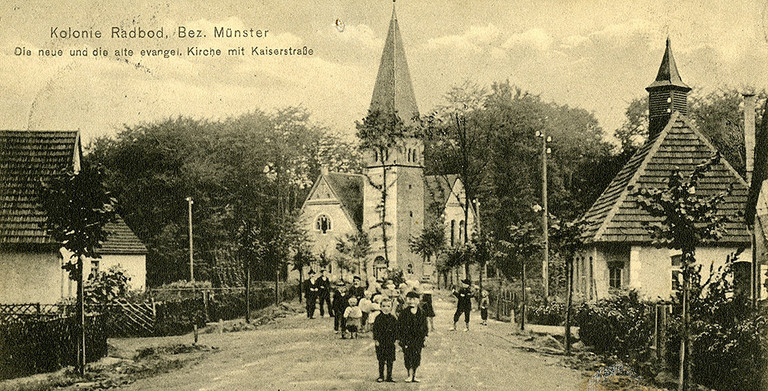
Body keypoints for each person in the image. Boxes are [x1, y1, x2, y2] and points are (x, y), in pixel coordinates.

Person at [397, 291, 428, 383]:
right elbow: (400, 326)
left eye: (414, 299)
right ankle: (410, 375)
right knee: (408, 356)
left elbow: (425, 326)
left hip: (418, 338)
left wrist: (425, 337)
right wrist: (400, 338)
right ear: (406, 300)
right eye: (409, 299)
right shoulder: (404, 313)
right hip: (407, 339)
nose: (412, 301)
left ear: (418, 300)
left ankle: (415, 374)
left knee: (417, 355)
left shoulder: (421, 312)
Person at [372, 298, 398, 383]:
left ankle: (389, 376)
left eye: (388, 306)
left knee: (390, 360)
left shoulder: (393, 318)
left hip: (390, 342)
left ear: (391, 308)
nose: (386, 308)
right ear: (380, 307)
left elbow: (396, 330)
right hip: (381, 342)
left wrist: (396, 340)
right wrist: (376, 340)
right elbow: (375, 330)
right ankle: (381, 376)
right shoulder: (378, 318)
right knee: (381, 360)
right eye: (383, 306)